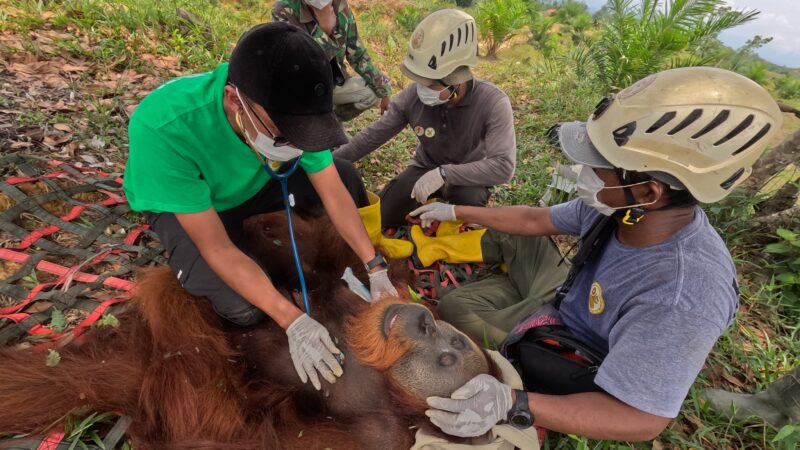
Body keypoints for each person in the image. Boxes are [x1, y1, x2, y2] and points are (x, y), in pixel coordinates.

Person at [409, 67, 784, 441]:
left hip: (576, 353)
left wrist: (512, 402)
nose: (583, 172)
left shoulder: (682, 295)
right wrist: (456, 211)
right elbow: (536, 219)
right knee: (457, 305)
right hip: (565, 305)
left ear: (648, 192)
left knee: (458, 327)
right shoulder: (618, 207)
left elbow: (641, 420)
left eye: (597, 165)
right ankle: (513, 304)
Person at [123, 23, 398, 392]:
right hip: (197, 207)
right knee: (244, 309)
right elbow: (217, 247)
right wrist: (292, 320)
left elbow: (333, 193)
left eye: (307, 135)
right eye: (285, 136)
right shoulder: (165, 126)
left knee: (345, 177)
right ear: (236, 102)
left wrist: (374, 266)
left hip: (257, 182)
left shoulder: (289, 108)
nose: (300, 146)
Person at [333, 9, 517, 228]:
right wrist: (329, 164)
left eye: (429, 83)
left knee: (466, 219)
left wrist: (444, 174)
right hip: (424, 167)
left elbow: (503, 166)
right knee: (383, 216)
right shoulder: (413, 97)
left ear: (455, 81)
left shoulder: (492, 102)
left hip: (468, 174)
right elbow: (373, 135)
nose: (421, 89)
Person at [272, 0, 392, 121]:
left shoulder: (340, 6)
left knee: (372, 92)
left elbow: (358, 55)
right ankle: (306, 124)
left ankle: (329, 123)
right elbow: (299, 65)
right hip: (302, 90)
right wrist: (324, 29)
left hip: (332, 83)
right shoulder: (284, 10)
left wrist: (384, 91)